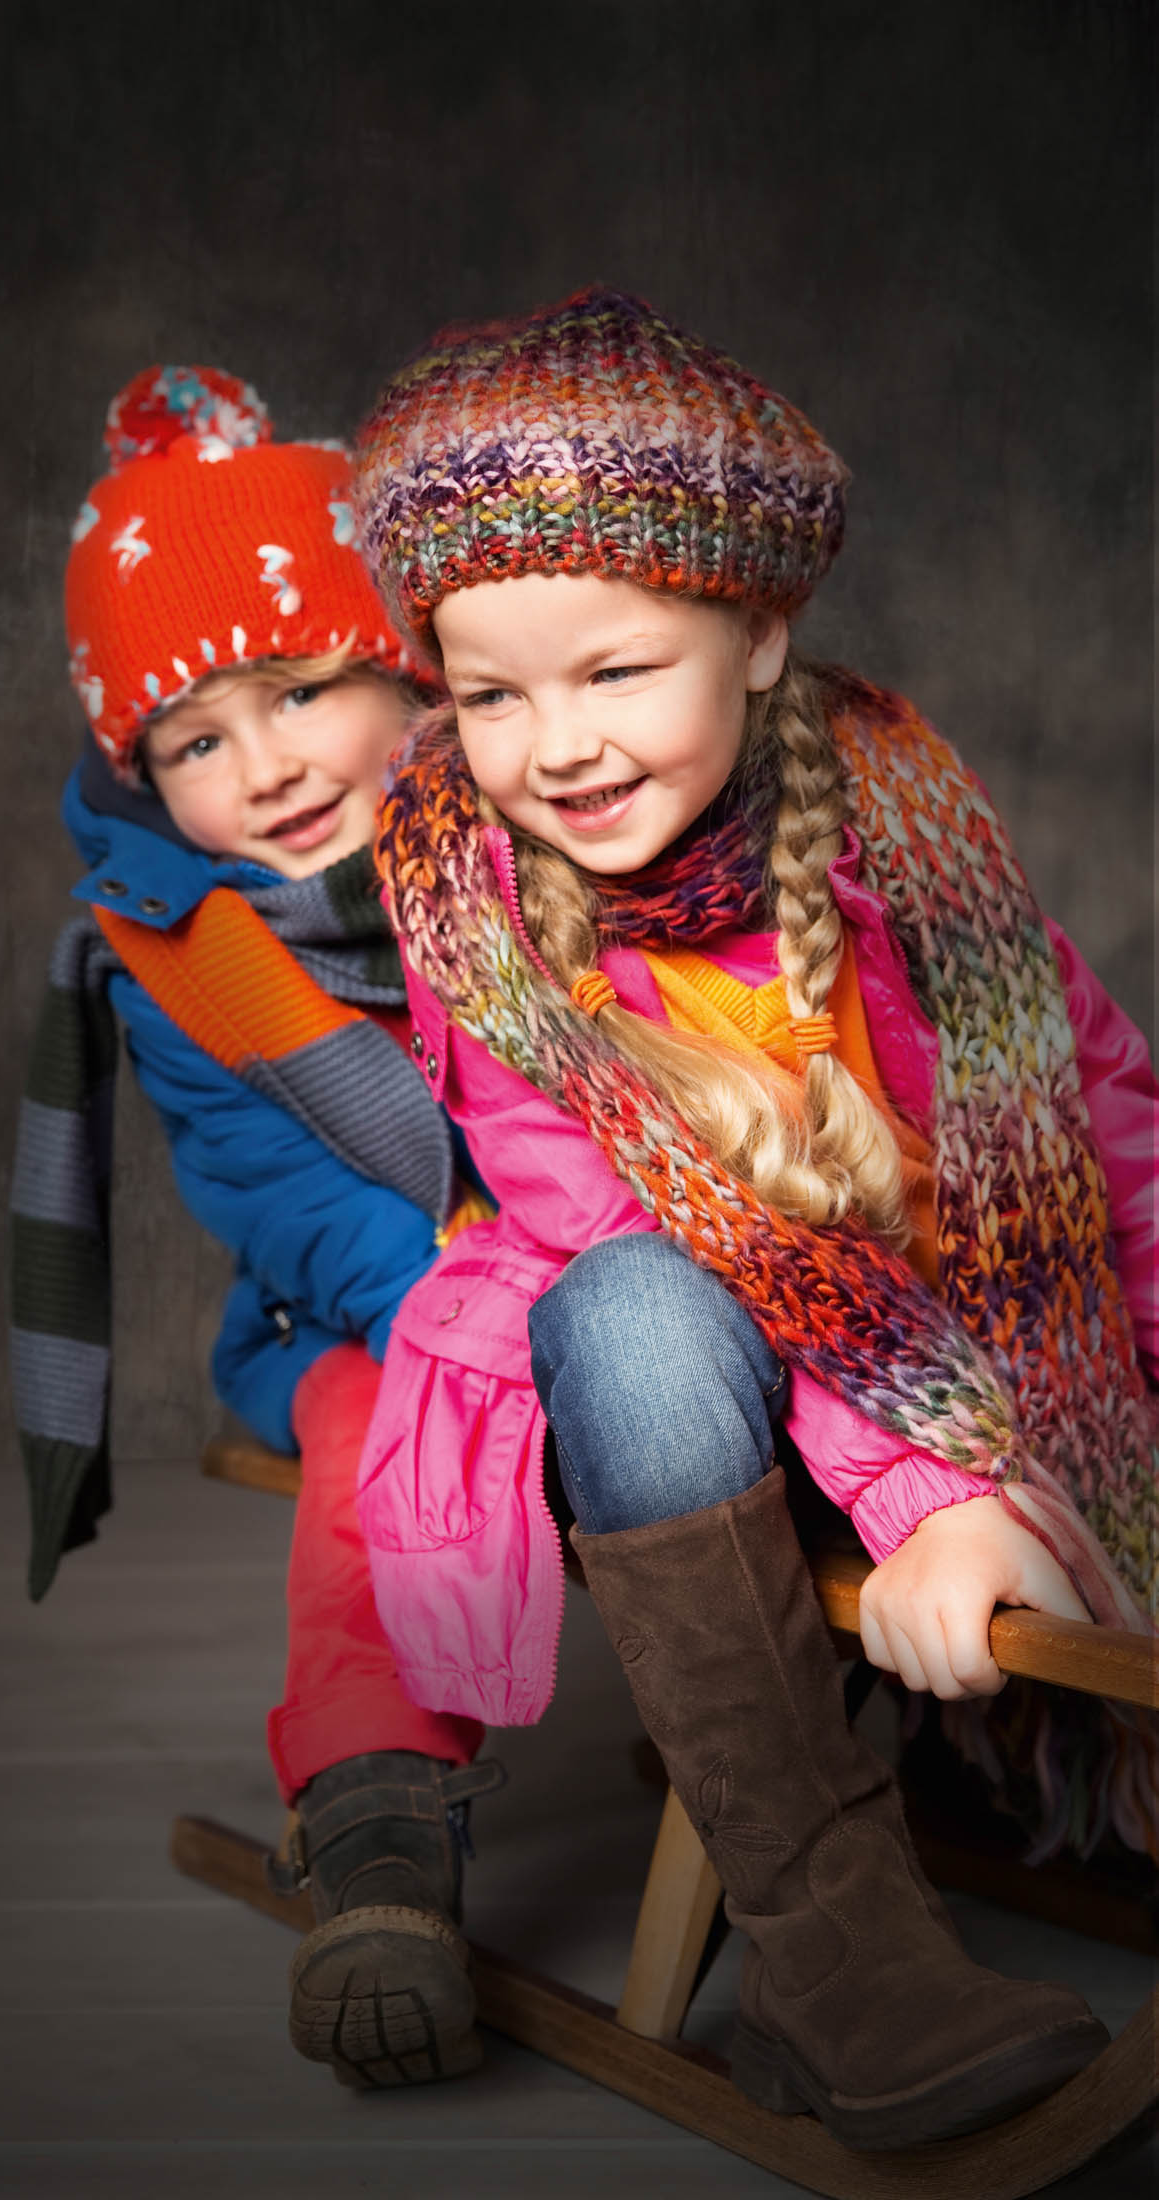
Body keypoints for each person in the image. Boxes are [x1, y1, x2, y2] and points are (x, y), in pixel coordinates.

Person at [348, 288, 1157, 2150]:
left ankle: (1042, 1743)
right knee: (633, 1296)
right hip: (687, 1440)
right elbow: (704, 1239)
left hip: (985, 1386)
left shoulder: (905, 825)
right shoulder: (474, 906)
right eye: (490, 692)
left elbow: (1106, 1129)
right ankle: (832, 1955)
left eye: (614, 671)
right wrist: (932, 1502)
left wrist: (1085, 1458)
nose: (552, 743)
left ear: (761, 635)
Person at [9, 364, 503, 2090]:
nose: (266, 769)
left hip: (612, 1265)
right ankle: (376, 1813)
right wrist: (446, 1289)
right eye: (193, 741)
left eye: (296, 694)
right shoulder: (179, 944)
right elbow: (264, 1186)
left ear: (400, 665)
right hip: (361, 1299)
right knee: (384, 1438)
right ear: (142, 776)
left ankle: (945, 1713)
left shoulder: (532, 820)